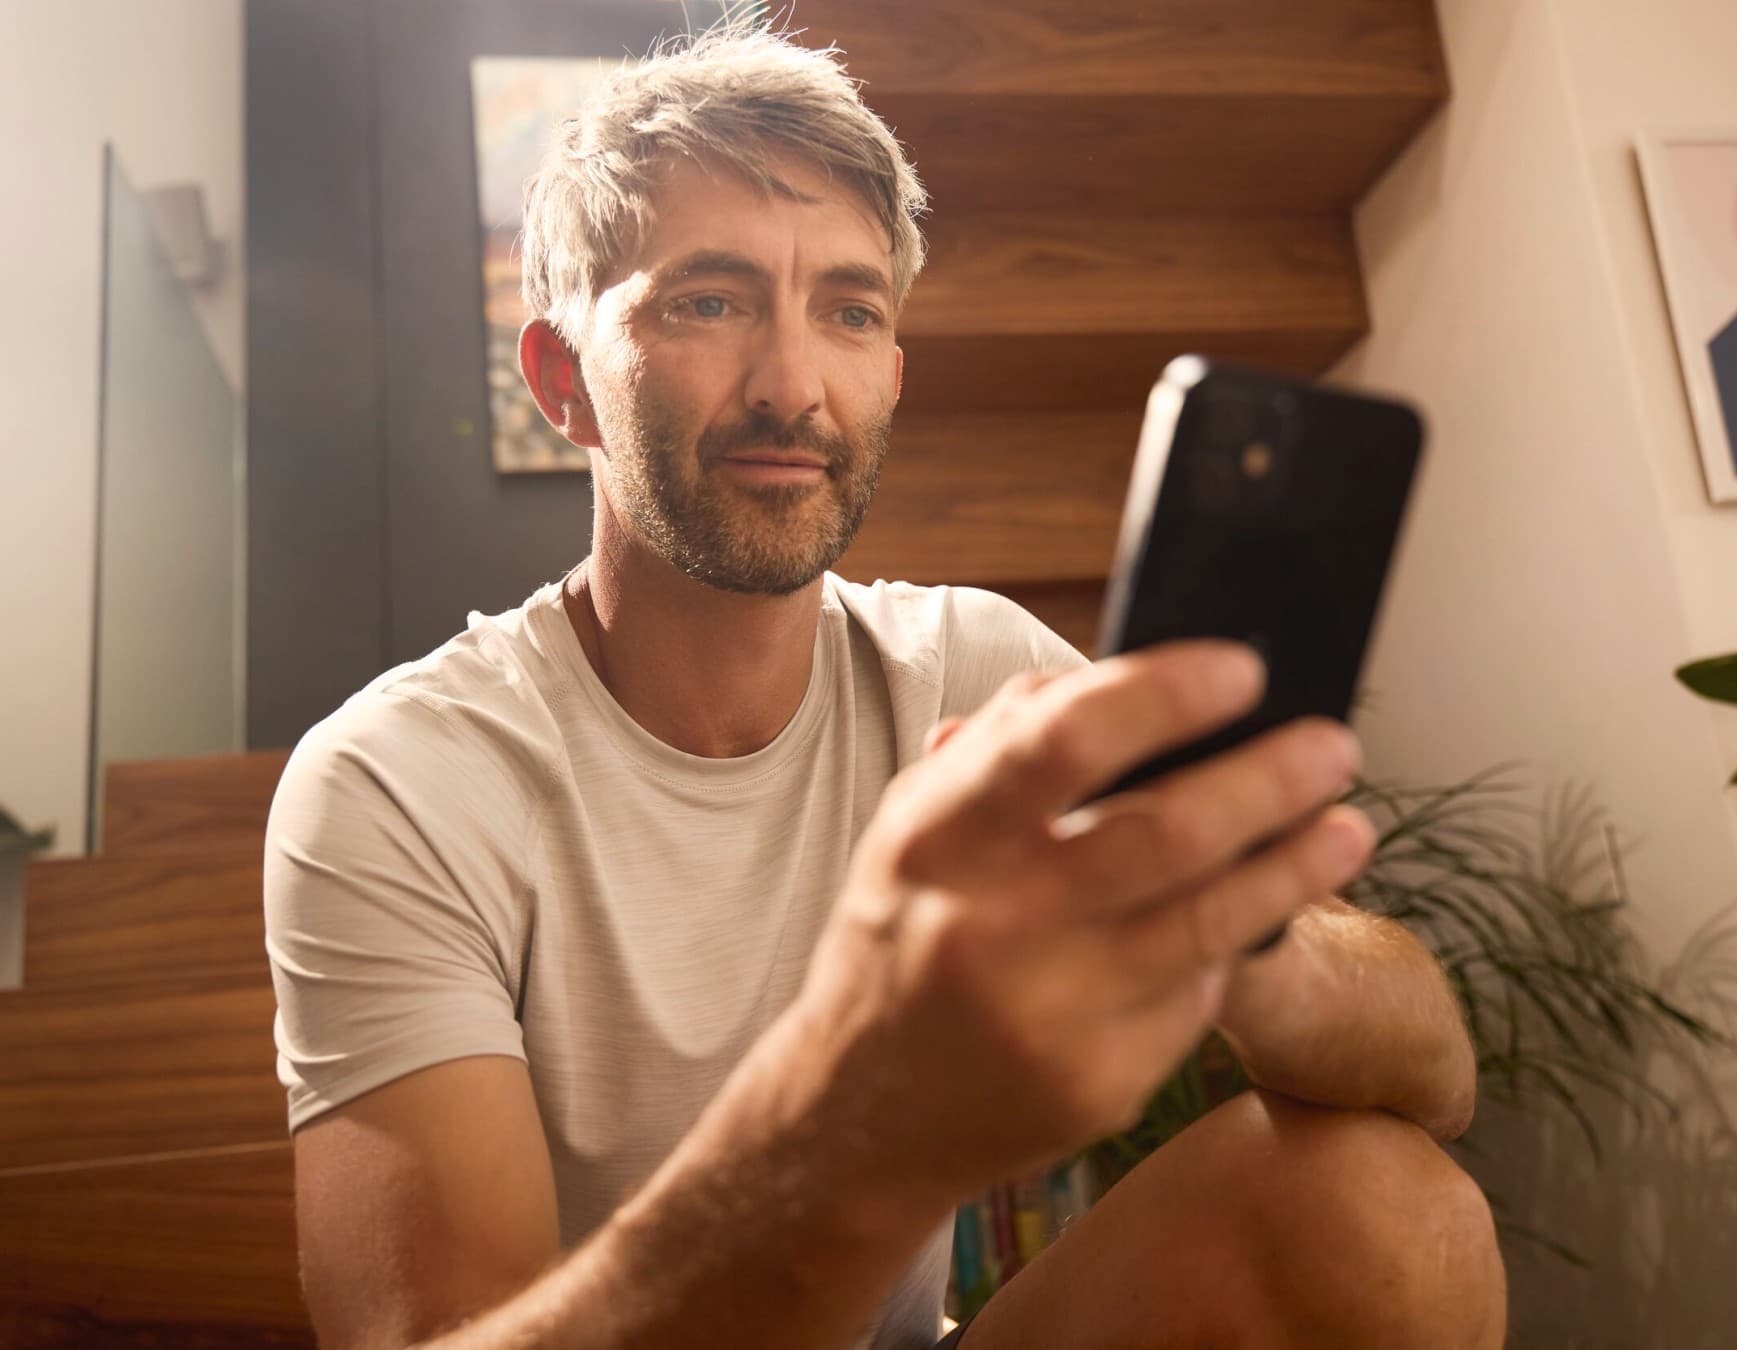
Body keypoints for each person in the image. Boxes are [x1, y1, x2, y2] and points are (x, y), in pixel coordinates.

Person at [264, 23, 1505, 1350]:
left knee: (1390, 1215)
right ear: (564, 381)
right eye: (709, 301)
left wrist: (1232, 938)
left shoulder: (975, 673)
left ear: (892, 377)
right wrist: (872, 1116)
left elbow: (1438, 1073)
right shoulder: (400, 784)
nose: (794, 387)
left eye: (849, 312)